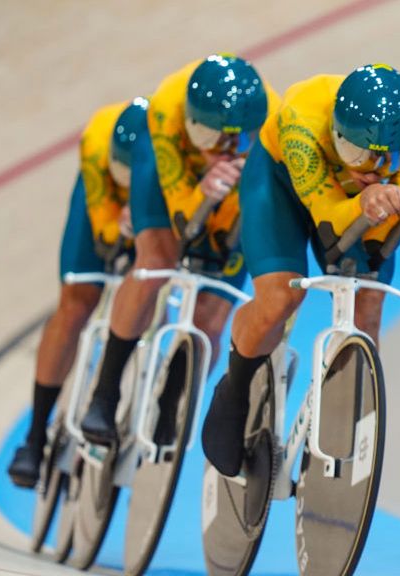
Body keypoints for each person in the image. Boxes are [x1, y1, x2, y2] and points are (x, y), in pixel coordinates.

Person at [201, 64, 400, 477]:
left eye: (390, 159)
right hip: (282, 184)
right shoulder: (301, 116)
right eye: (358, 154)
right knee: (281, 297)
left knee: (369, 296)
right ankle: (233, 390)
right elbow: (327, 219)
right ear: (336, 134)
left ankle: (345, 418)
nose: (372, 168)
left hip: (354, 202)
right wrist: (372, 196)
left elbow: (391, 222)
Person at [80, 55, 279, 445]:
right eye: (212, 139)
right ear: (190, 125)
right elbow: (180, 214)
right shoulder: (168, 110)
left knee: (215, 310)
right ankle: (104, 393)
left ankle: (172, 401)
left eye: (238, 141)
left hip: (233, 188)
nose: (224, 150)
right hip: (166, 169)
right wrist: (200, 191)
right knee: (155, 261)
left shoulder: (269, 124)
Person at [6, 98, 144, 487]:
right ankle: (34, 437)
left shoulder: (169, 156)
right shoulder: (98, 141)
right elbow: (102, 223)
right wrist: (114, 227)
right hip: (103, 204)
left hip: (154, 205)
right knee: (77, 301)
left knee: (151, 294)